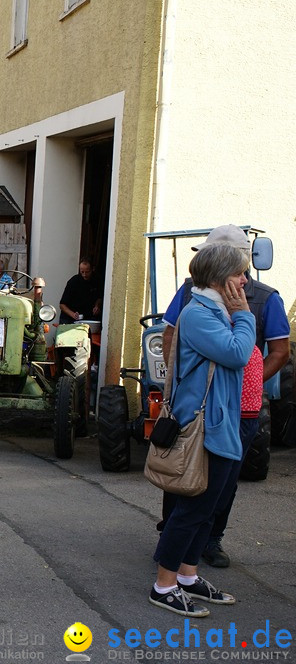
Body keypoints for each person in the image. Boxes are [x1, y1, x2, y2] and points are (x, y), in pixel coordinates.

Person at [157, 225, 291, 567]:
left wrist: (249, 386)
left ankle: (207, 543)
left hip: (240, 409)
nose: (243, 278)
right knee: (184, 477)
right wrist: (176, 385)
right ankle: (174, 549)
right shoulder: (194, 297)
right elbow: (172, 338)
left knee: (221, 484)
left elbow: (279, 351)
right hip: (205, 408)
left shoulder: (267, 296)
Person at [150, 243, 254, 617]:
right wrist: (244, 316)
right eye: (240, 273)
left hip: (218, 425)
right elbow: (238, 353)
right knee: (192, 510)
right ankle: (164, 584)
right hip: (205, 428)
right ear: (221, 278)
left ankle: (188, 576)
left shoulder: (212, 311)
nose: (245, 280)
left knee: (207, 510)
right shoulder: (200, 315)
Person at [59, 259, 103, 324]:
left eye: (87, 272)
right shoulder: (73, 282)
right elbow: (62, 305)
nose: (84, 275)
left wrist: (97, 306)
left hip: (87, 317)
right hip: (69, 318)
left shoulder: (97, 281)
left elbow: (99, 297)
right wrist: (73, 314)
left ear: (92, 269)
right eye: (82, 272)